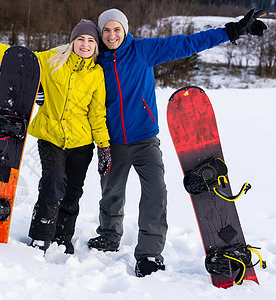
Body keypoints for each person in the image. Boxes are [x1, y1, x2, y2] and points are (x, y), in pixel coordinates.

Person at [87, 8, 267, 277]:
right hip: (111, 140)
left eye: (117, 29)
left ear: (125, 30)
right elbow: (67, 74)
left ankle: (149, 252)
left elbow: (187, 43)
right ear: (100, 33)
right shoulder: (94, 58)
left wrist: (231, 31)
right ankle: (109, 235)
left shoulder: (143, 50)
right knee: (111, 192)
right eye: (106, 30)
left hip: (145, 139)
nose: (112, 35)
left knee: (155, 193)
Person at [0, 19, 112, 254]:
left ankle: (63, 237)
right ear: (72, 41)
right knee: (53, 184)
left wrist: (104, 147)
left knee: (73, 192)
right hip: (50, 136)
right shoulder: (52, 60)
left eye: (91, 41)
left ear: (96, 46)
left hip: (81, 143)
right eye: (81, 39)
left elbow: (97, 113)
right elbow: (20, 60)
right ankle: (41, 236)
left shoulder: (96, 74)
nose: (85, 44)